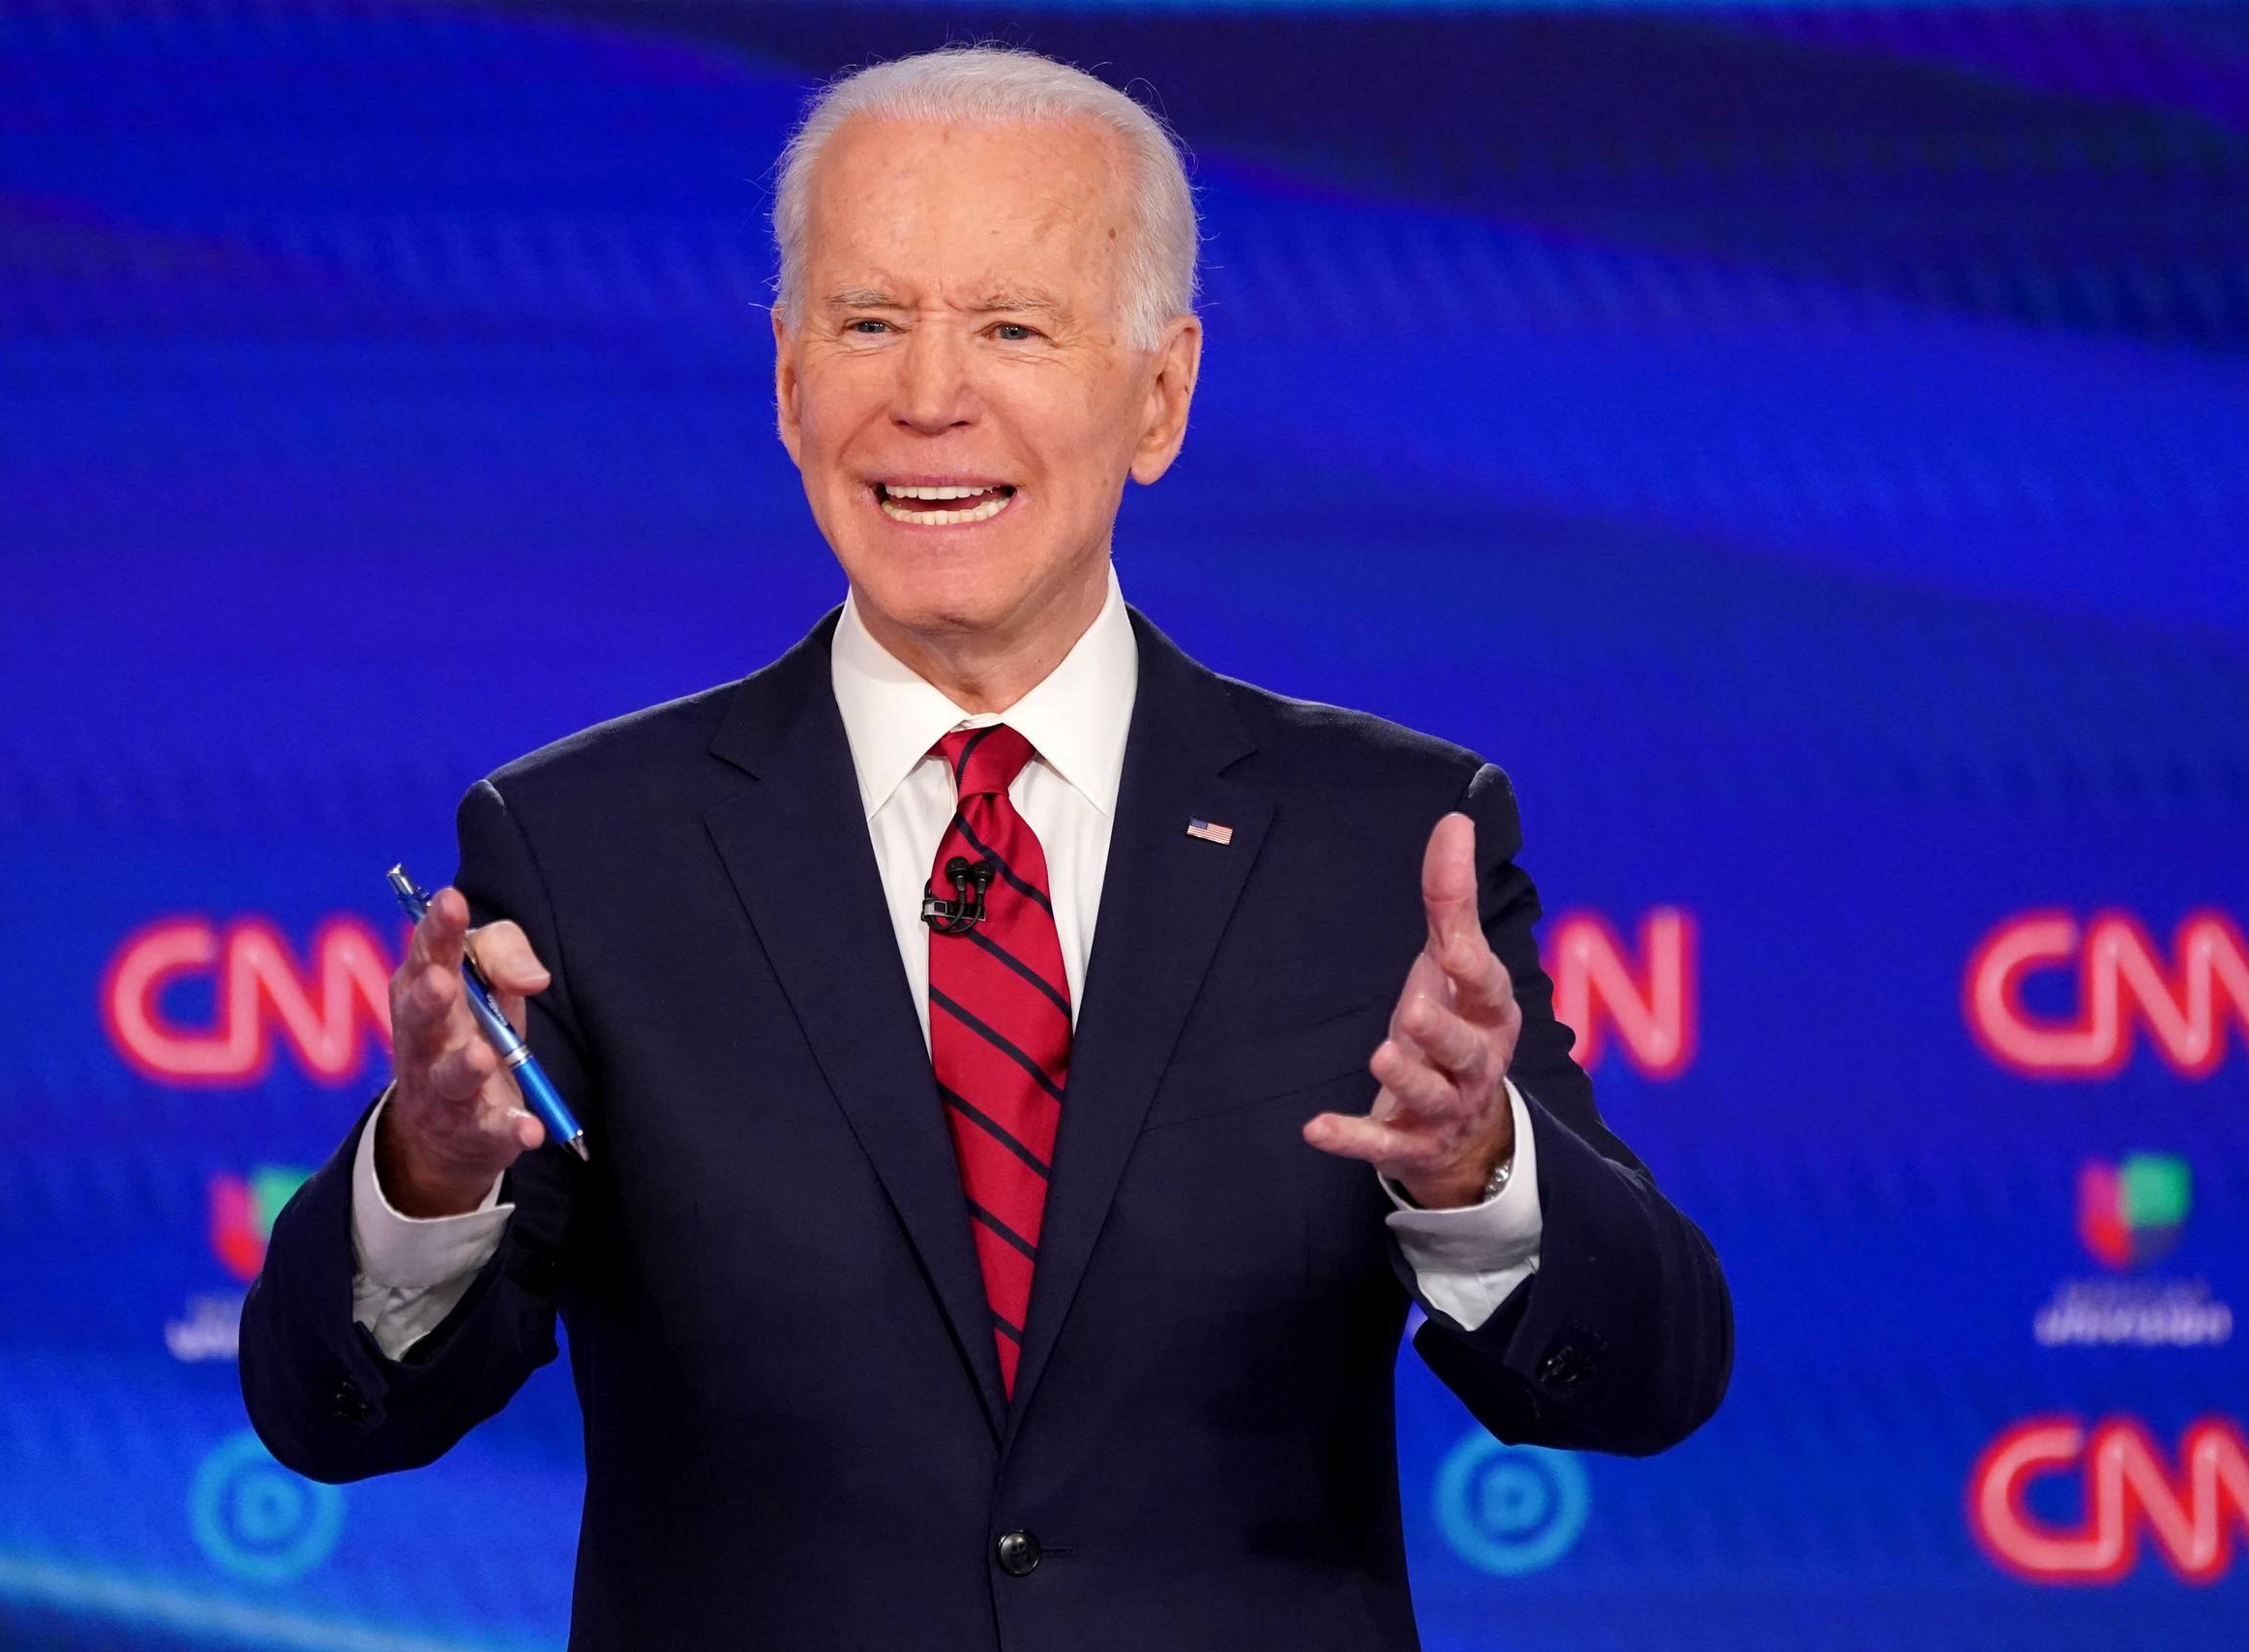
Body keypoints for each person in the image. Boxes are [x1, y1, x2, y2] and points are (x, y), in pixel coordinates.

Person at [240, 43, 1731, 1651]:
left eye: (1013, 326)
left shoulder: (1379, 846)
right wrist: (433, 1176)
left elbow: (1645, 1379)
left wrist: (1477, 1174)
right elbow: (342, 1416)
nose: (930, 396)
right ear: (787, 377)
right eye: (870, 323)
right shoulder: (589, 845)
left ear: (1161, 394)